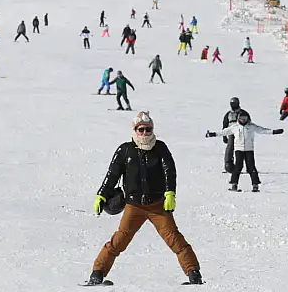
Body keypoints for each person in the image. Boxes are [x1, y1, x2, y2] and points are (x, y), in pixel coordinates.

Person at [87, 111, 202, 286]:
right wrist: (101, 194)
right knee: (119, 240)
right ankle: (97, 274)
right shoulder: (125, 150)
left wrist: (170, 193)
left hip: (157, 205)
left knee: (174, 239)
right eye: (141, 129)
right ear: (134, 130)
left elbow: (169, 171)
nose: (145, 133)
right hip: (134, 206)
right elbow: (112, 174)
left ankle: (194, 274)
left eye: (148, 129)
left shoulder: (160, 148)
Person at [205, 112, 283, 191]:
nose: (243, 120)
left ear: (248, 119)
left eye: (245, 118)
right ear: (238, 119)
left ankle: (255, 185)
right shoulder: (234, 127)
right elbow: (224, 132)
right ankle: (234, 184)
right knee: (238, 166)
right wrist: (212, 134)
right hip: (239, 150)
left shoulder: (252, 126)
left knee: (251, 167)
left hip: (249, 150)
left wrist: (274, 132)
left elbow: (262, 130)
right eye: (241, 119)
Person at [220, 97, 251, 173]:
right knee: (230, 147)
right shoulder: (229, 114)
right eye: (232, 104)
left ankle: (248, 166)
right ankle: (228, 165)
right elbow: (225, 124)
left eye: (235, 104)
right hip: (231, 132)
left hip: (241, 133)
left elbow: (249, 124)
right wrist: (224, 135)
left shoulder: (243, 113)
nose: (233, 105)